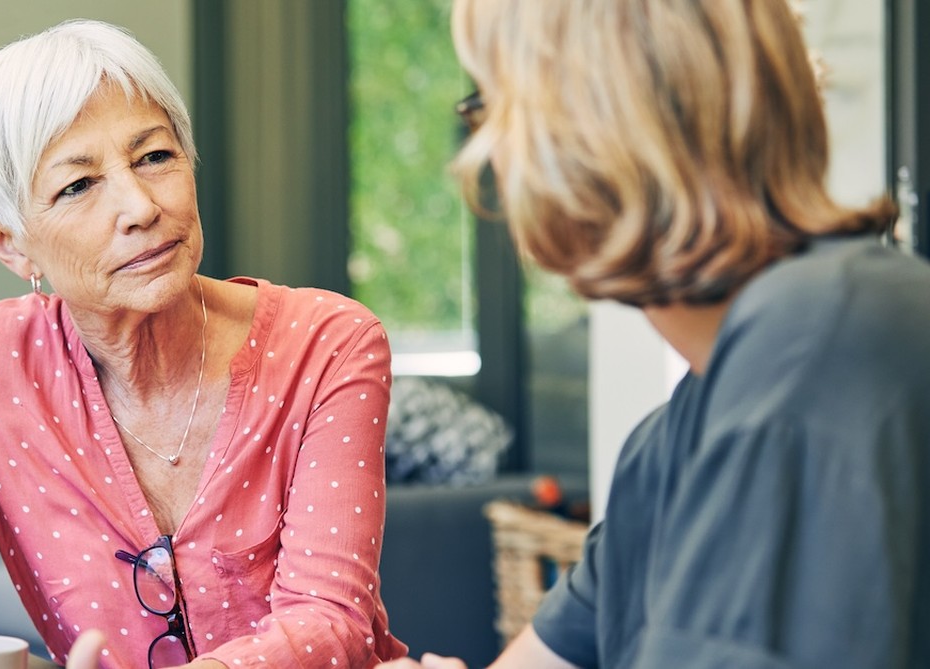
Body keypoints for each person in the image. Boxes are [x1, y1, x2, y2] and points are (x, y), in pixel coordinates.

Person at [0, 18, 407, 669]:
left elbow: (330, 620)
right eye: (78, 185)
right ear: (10, 244)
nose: (140, 206)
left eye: (155, 156)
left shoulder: (327, 342)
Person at [382, 0, 930, 667]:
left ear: (593, 128)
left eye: (495, 108)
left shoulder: (819, 347)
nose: (486, 151)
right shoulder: (667, 446)